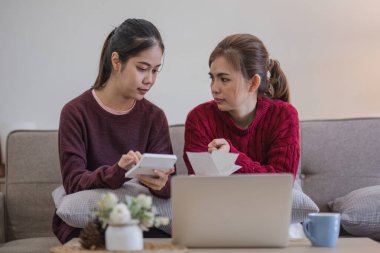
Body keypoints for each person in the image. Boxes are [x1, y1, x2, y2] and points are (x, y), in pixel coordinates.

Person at [53, 18, 175, 244]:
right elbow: (73, 181)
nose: (149, 80)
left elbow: (169, 183)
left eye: (156, 71)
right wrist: (117, 171)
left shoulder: (154, 117)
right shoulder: (75, 112)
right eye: (142, 68)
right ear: (116, 61)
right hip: (89, 223)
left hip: (139, 218)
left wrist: (161, 183)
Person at [184, 34, 300, 178]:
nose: (214, 88)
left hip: (271, 200)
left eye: (224, 79)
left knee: (297, 198)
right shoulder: (199, 119)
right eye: (212, 78)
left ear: (253, 83)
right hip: (220, 200)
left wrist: (232, 157)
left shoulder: (283, 115)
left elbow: (282, 183)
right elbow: (199, 184)